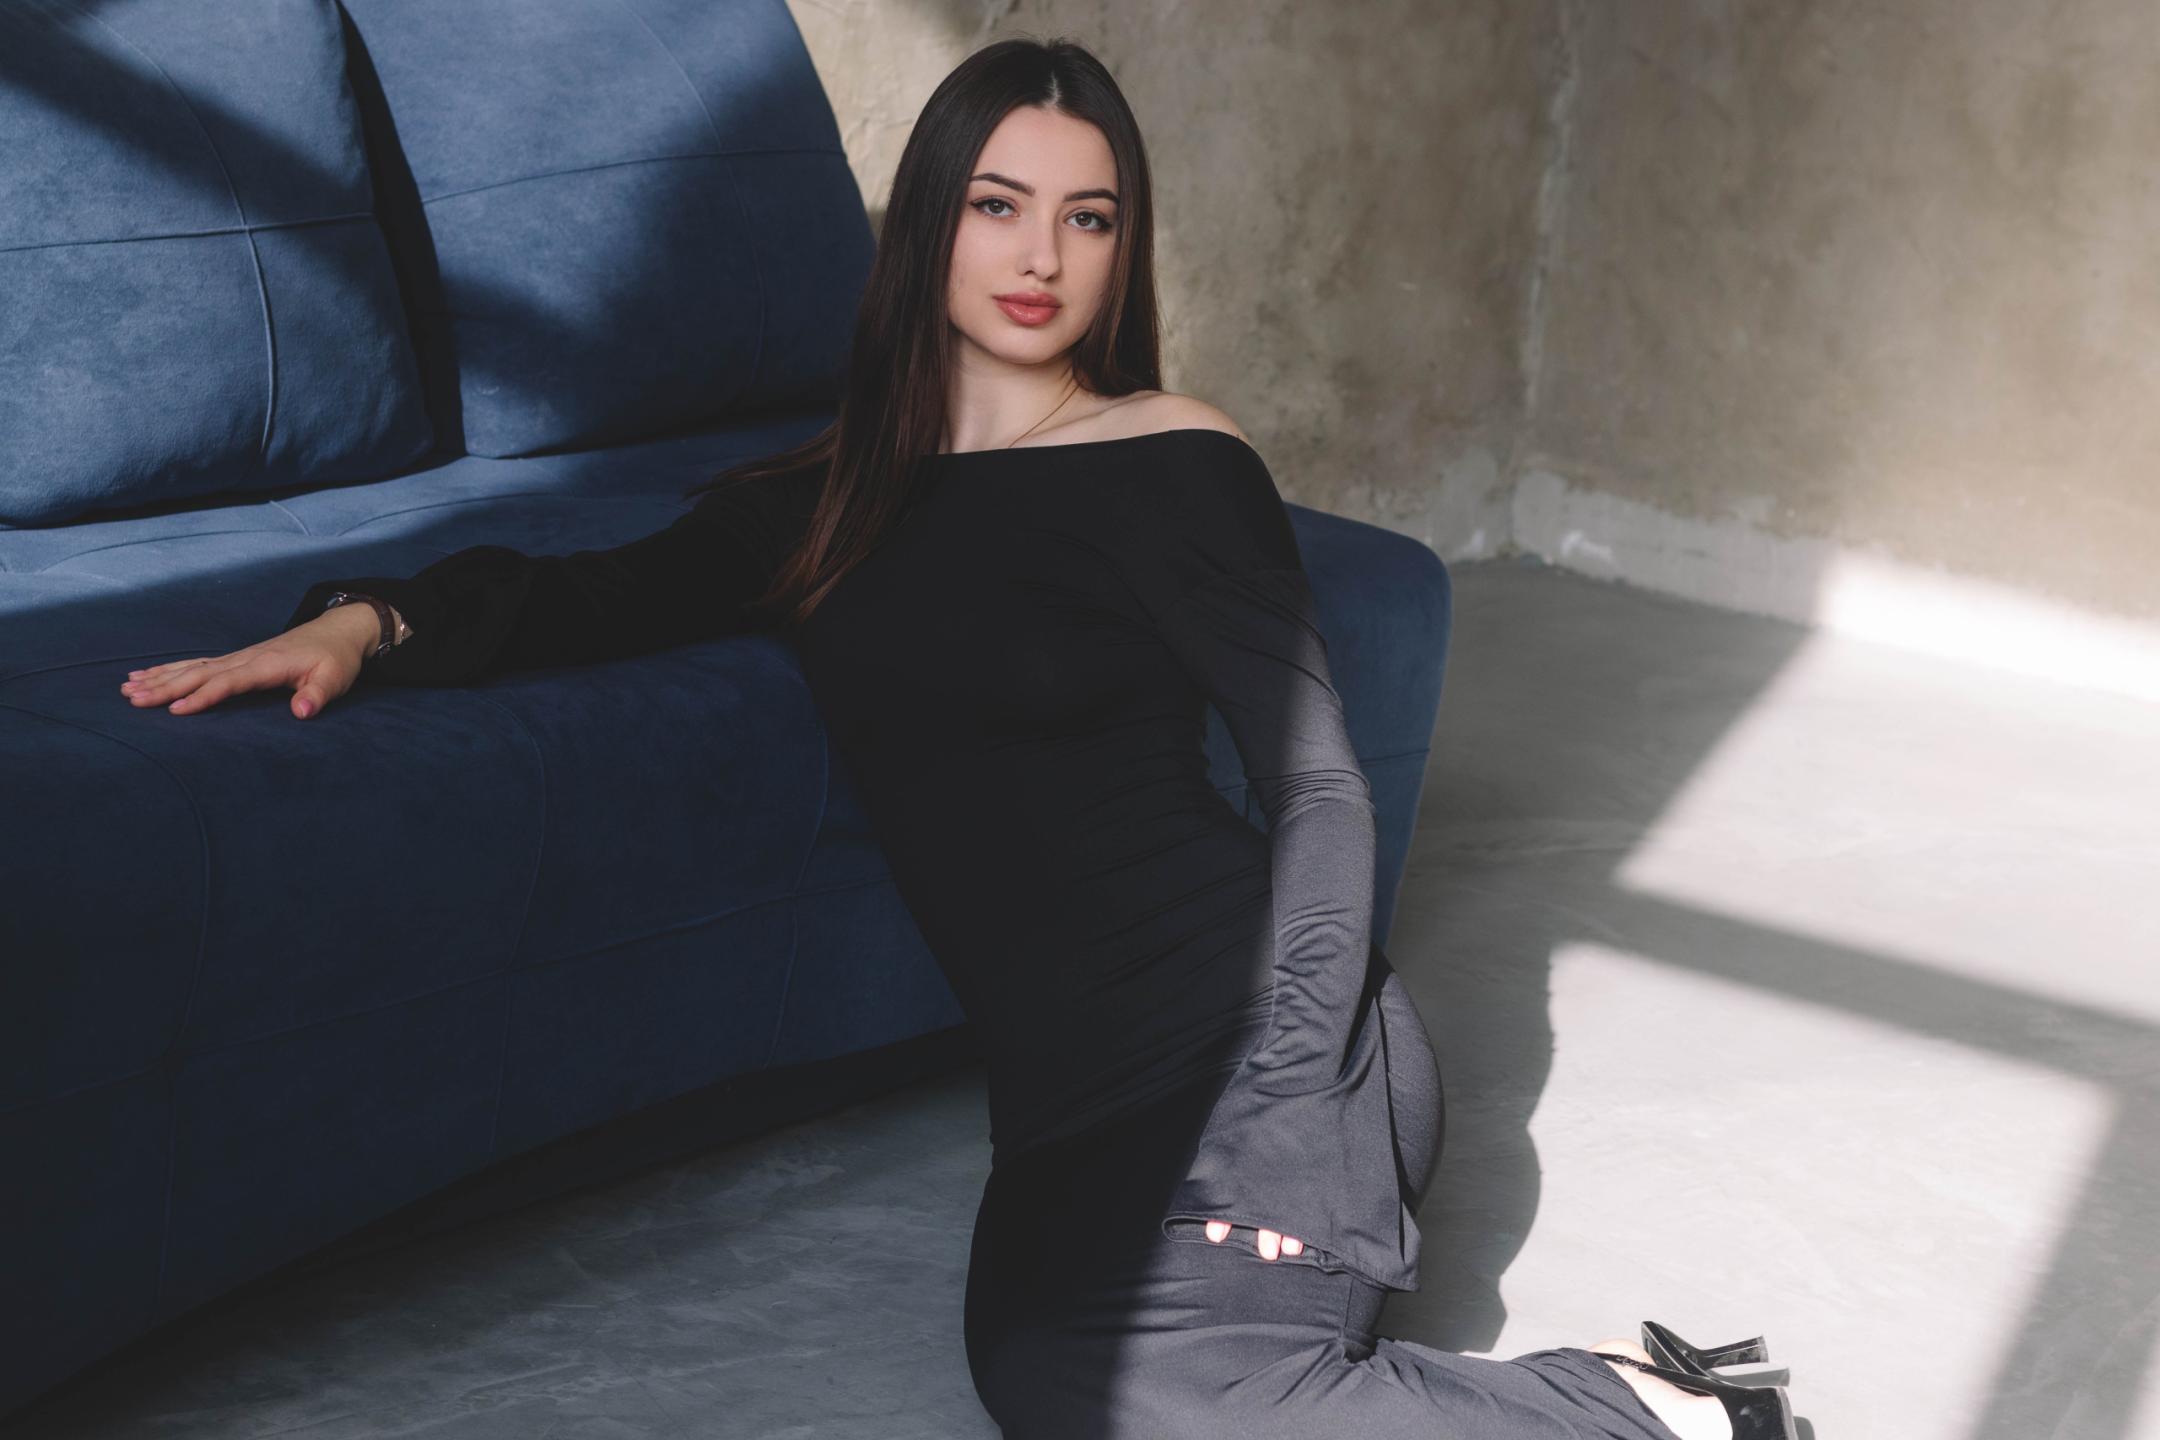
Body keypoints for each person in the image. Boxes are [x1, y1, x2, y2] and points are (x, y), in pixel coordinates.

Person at [116, 36, 1781, 1440]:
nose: (1041, 253)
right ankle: (1586, 1392)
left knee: (1162, 1394)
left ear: (1125, 250)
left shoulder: (1172, 455)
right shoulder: (826, 505)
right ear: (930, 225)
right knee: (1050, 1378)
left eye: (1087, 216)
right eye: (998, 205)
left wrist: (1288, 1098)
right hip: (1074, 1104)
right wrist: (366, 622)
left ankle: (1645, 1411)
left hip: (1270, 1040)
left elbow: (1320, 787)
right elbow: (587, 594)